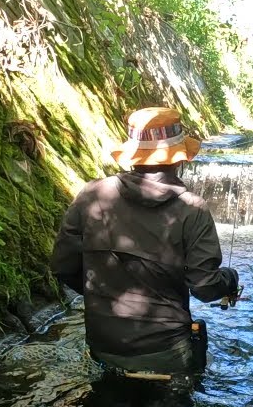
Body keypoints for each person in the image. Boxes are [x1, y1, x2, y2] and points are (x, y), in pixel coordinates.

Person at [49, 106, 240, 378]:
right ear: (179, 158)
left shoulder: (91, 194)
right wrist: (229, 280)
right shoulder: (192, 209)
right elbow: (205, 287)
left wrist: (103, 297)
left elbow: (62, 267)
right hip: (167, 351)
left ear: (133, 155)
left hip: (103, 344)